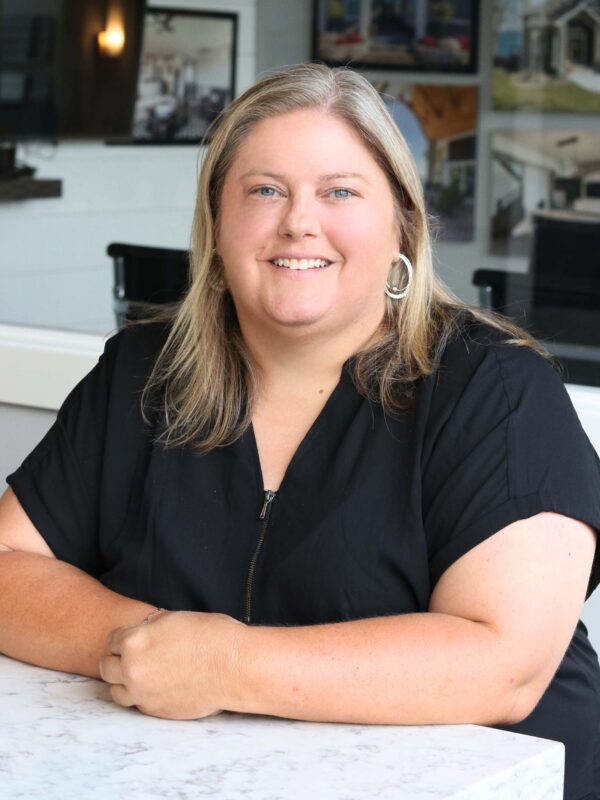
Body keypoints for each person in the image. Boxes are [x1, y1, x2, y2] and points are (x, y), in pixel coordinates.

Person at [1, 63, 599, 800]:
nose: (299, 221)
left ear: (402, 223)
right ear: (218, 225)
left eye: (340, 191)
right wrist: (155, 647)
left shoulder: (495, 389)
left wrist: (228, 667)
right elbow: (6, 566)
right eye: (264, 190)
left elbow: (501, 664)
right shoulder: (142, 373)